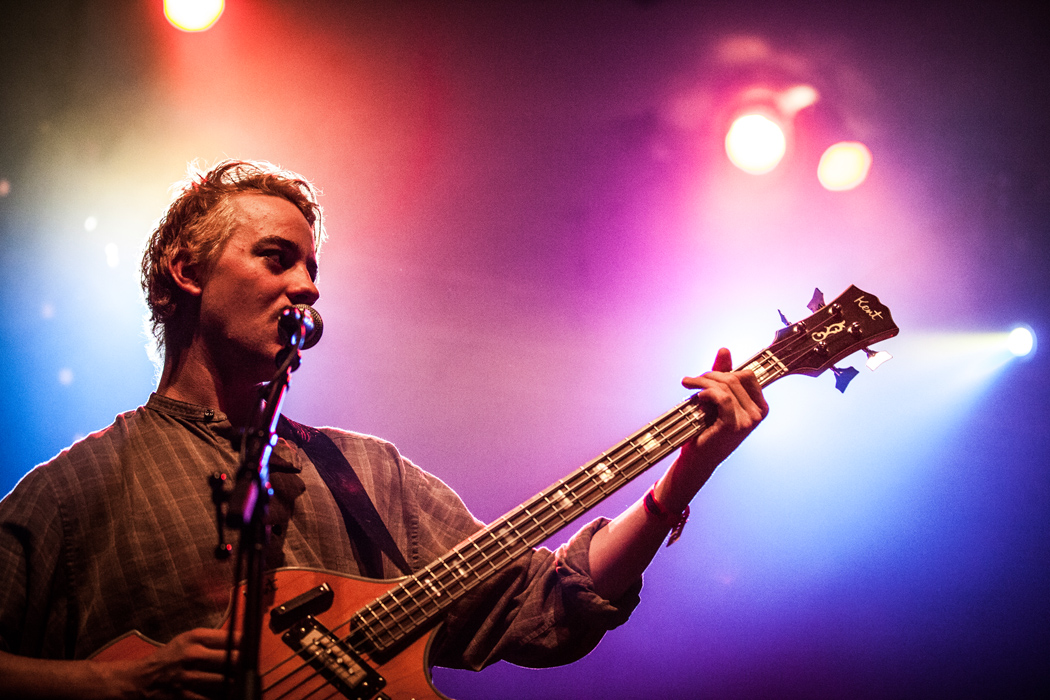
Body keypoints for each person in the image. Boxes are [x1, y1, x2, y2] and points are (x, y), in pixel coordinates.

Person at [0, 160, 768, 699]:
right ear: (186, 271)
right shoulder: (75, 491)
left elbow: (544, 606)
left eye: (312, 269)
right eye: (276, 259)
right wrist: (110, 682)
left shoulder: (366, 474)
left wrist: (683, 477)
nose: (306, 285)